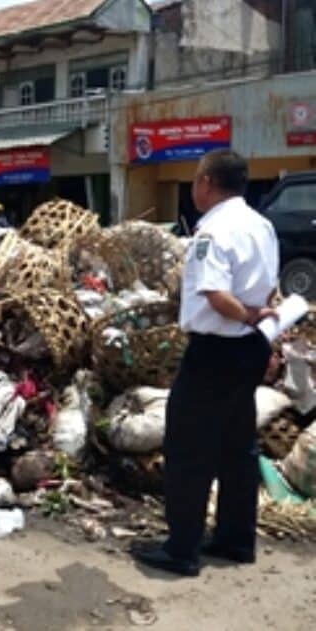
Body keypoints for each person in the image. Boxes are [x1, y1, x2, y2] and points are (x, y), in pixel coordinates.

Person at [133, 149, 279, 577]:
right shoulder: (262, 225)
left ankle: (182, 549)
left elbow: (215, 294)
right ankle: (236, 540)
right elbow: (267, 287)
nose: (195, 187)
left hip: (216, 349)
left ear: (208, 183)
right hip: (251, 348)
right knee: (237, 446)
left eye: (197, 179)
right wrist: (260, 319)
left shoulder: (212, 232)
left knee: (188, 448)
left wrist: (248, 314)